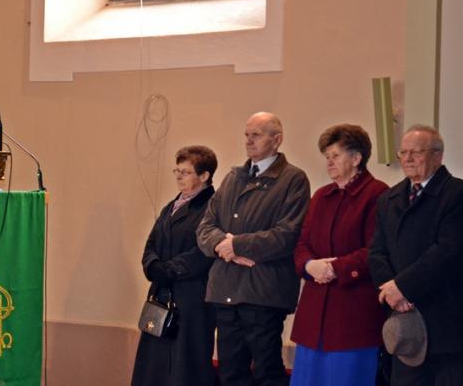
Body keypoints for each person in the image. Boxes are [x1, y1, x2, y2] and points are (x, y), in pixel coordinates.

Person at [196, 111, 310, 386]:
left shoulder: (293, 179)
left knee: (267, 372)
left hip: (264, 291)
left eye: (256, 135)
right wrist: (224, 247)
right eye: (247, 135)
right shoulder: (232, 177)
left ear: (277, 140)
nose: (248, 141)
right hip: (226, 289)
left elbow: (287, 234)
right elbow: (204, 228)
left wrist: (236, 245)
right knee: (230, 373)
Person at [289, 124, 388, 386]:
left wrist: (335, 268)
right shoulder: (322, 196)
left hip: (352, 314)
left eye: (336, 155)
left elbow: (376, 249)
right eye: (327, 156)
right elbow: (302, 243)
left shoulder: (378, 194)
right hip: (314, 314)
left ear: (356, 158)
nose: (329, 162)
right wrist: (309, 265)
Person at [368, 125, 463, 386]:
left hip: (446, 324)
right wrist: (391, 292)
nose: (408, 159)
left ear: (438, 156)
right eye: (403, 152)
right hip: (404, 325)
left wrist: (403, 287)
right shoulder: (388, 199)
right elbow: (376, 252)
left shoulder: (456, 194)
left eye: (417, 152)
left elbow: (448, 251)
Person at [131, 146, 219, 386]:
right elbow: (151, 243)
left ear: (204, 176)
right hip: (162, 294)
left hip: (192, 299)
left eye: (186, 172)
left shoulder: (212, 207)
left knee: (183, 366)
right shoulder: (171, 206)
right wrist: (152, 265)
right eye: (177, 171)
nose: (179, 177)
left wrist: (170, 270)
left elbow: (204, 250)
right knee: (153, 366)